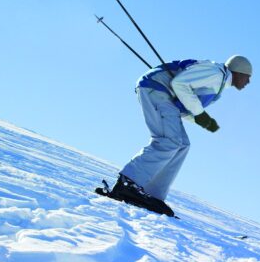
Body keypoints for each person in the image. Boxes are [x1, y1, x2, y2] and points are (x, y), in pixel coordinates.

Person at [108, 55, 252, 214]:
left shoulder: (219, 82)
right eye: (247, 77)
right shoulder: (216, 74)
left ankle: (151, 193)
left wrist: (203, 121)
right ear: (239, 72)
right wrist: (201, 115)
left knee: (182, 144)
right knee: (169, 140)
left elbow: (184, 102)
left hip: (163, 95)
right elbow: (179, 83)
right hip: (156, 89)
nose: (248, 82)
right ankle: (128, 182)